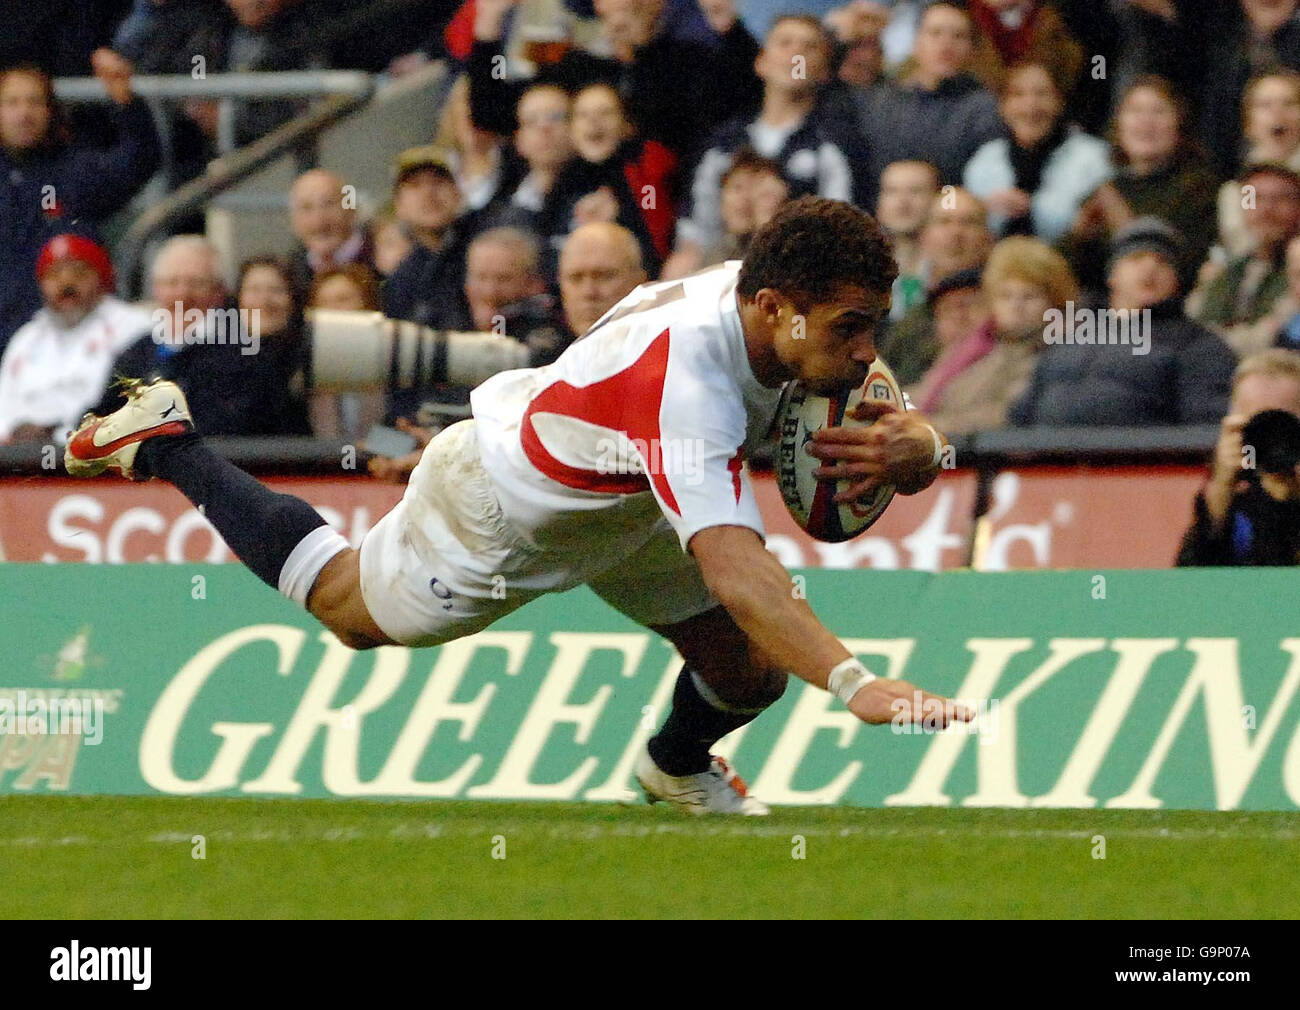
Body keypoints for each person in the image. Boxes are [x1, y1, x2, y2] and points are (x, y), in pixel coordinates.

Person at [65, 197, 971, 815]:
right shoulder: (687, 385)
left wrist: (920, 446)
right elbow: (744, 573)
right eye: (851, 328)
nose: (865, 351)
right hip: (502, 511)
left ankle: (672, 771)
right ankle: (170, 440)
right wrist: (858, 686)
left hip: (627, 500)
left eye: (870, 326)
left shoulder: (777, 296)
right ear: (775, 308)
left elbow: (877, 407)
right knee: (347, 610)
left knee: (749, 675)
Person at [663, 15, 853, 279]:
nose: (796, 54)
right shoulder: (723, 145)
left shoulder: (834, 146)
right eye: (785, 43)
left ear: (824, 71)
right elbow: (696, 233)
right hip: (722, 275)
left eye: (809, 47)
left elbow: (842, 234)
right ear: (761, 62)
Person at [1011, 217, 1237, 427]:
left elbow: (1204, 425)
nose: (1150, 268)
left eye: (1163, 262)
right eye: (1136, 258)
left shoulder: (1198, 345)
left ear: (1176, 281)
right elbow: (1022, 415)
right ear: (1113, 274)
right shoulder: (1071, 338)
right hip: (1046, 464)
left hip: (1139, 466)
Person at [0, 61, 161, 351]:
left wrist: (127, 102)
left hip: (70, 339)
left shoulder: (76, 172)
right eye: (11, 103)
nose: (23, 114)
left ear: (50, 111)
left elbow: (139, 161)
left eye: (34, 102)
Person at [88, 237, 306, 436]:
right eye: (171, 283)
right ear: (156, 290)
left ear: (219, 291)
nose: (182, 294)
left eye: (195, 283)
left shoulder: (244, 346)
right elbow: (102, 416)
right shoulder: (139, 351)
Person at [1059, 75, 1220, 298]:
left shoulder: (1199, 188)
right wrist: (1079, 237)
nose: (1146, 122)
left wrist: (1121, 222)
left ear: (1179, 124)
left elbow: (1183, 264)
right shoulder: (1106, 189)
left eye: (1158, 111)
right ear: (1119, 124)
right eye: (1135, 111)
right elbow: (1066, 269)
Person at [910, 236, 1075, 435]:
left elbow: (1007, 414)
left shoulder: (1057, 354)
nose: (1016, 306)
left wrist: (926, 428)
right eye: (1005, 296)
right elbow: (926, 392)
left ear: (1054, 303)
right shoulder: (973, 345)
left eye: (1029, 296)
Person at [0, 235, 151, 444]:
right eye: (54, 275)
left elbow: (123, 405)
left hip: (97, 455)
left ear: (101, 276)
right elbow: (4, 404)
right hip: (19, 458)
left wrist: (59, 433)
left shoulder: (131, 326)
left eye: (79, 273)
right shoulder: (27, 338)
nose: (66, 283)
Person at [850, 1, 1002, 206]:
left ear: (973, 49)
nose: (946, 44)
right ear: (916, 43)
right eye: (935, 33)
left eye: (958, 36)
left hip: (949, 217)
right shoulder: (879, 101)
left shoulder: (984, 107)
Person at [962, 61, 1112, 243]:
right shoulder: (985, 160)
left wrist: (1035, 208)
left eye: (1041, 94)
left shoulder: (1093, 157)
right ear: (1003, 107)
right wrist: (981, 213)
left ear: (1059, 102)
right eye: (1018, 94)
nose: (1030, 106)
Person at [1176, 348, 1300, 566]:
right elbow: (1191, 586)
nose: (1270, 437)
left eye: (1282, 424)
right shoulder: (1234, 501)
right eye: (1258, 425)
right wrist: (1221, 487)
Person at [876, 186, 994, 386]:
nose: (955, 233)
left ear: (988, 238)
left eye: (968, 223)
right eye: (944, 222)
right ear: (923, 236)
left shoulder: (999, 304)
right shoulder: (895, 299)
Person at [1188, 163, 1300, 356]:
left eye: (1280, 199)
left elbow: (1273, 335)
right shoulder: (1228, 268)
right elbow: (1194, 327)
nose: (1266, 209)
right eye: (1254, 199)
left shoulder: (1296, 268)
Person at [1217, 71, 1300, 259]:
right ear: (1248, 123)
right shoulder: (1241, 191)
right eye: (1265, 105)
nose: (1278, 113)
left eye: (1289, 103)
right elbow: (1241, 244)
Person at [287, 169, 374, 296]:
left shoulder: (381, 261)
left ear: (351, 209)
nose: (318, 220)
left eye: (328, 204)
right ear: (293, 221)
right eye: (306, 208)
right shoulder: (290, 277)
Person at [875, 159, 941, 319]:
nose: (903, 202)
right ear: (879, 205)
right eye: (892, 191)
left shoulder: (952, 269)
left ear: (937, 200)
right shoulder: (863, 274)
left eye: (915, 191)